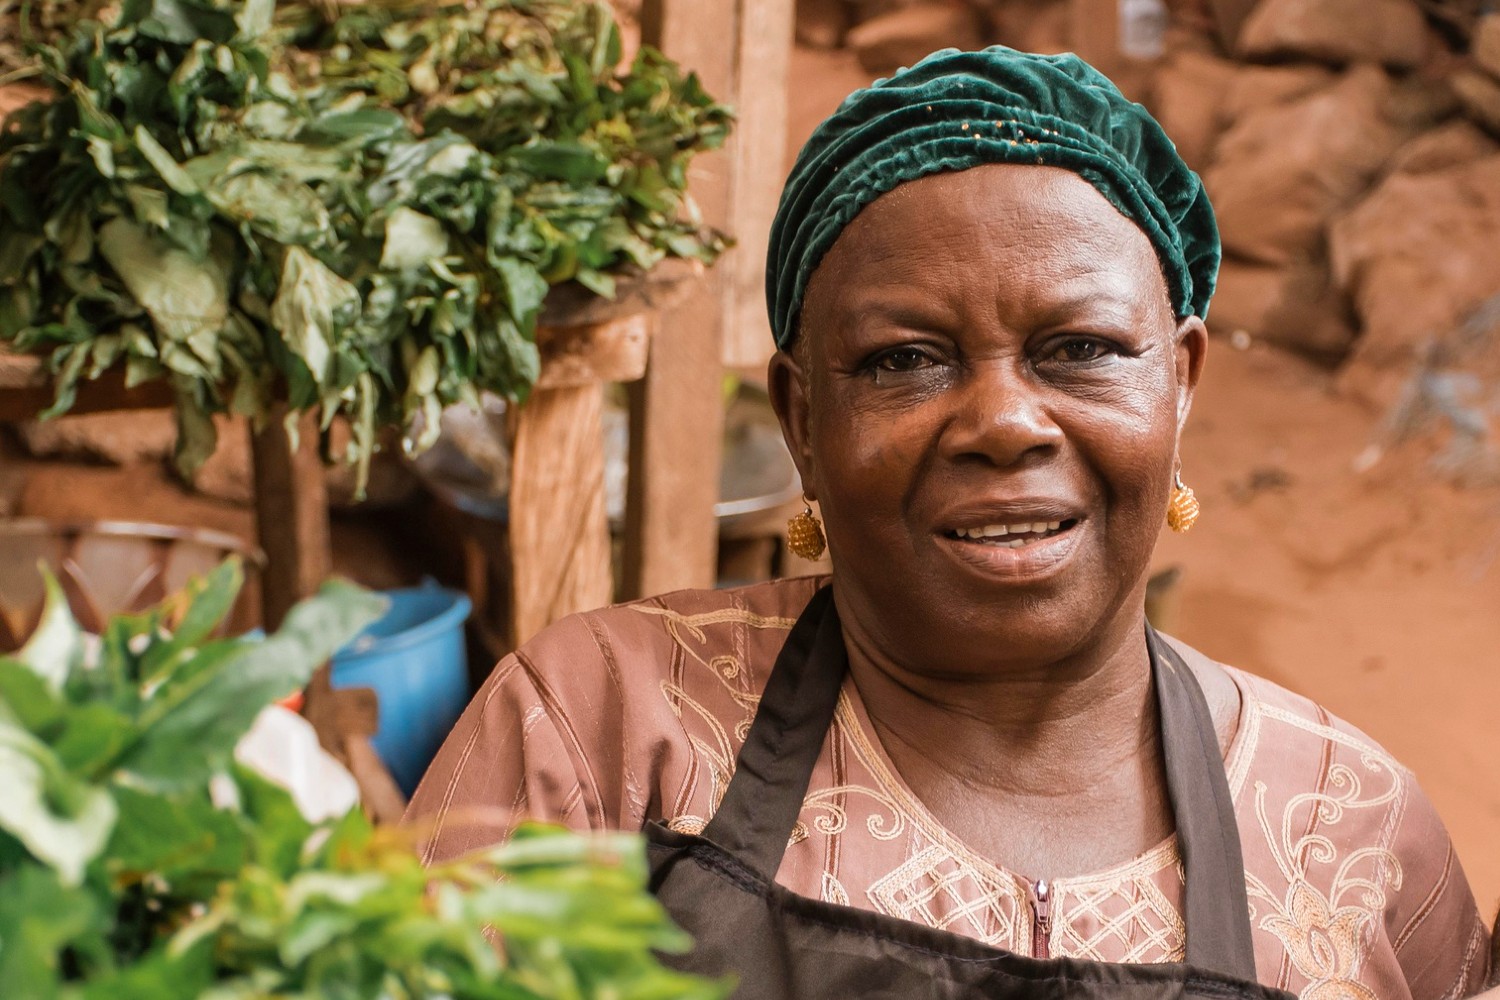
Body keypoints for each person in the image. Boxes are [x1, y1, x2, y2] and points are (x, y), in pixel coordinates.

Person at [406, 47, 1490, 999]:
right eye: (904, 360)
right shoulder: (601, 732)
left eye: (1083, 349)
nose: (1005, 423)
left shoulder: (1354, 832)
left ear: (1181, 381)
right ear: (803, 422)